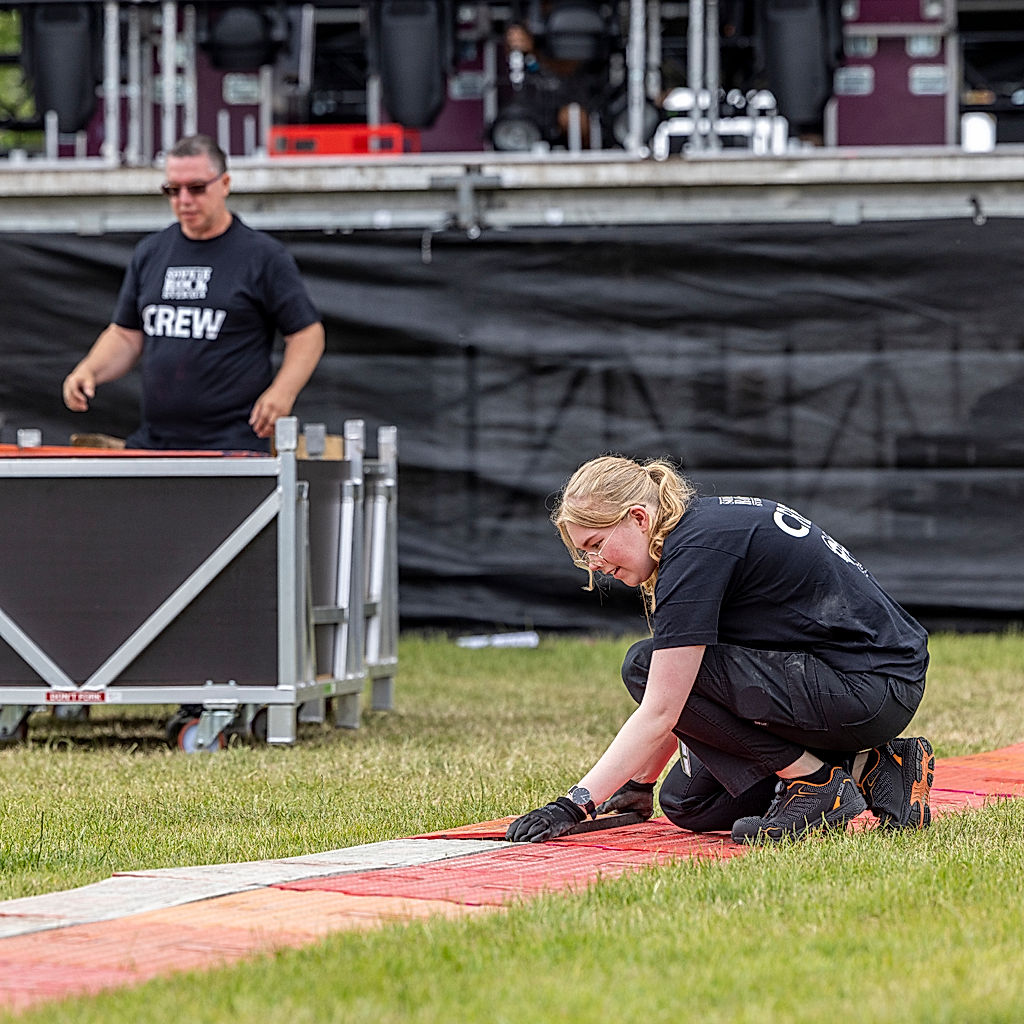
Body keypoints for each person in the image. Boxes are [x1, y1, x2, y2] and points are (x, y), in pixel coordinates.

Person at [506, 455, 935, 845]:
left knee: (642, 663)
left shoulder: (695, 550)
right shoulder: (698, 530)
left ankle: (816, 782)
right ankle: (876, 767)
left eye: (596, 544)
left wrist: (574, 804)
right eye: (585, 554)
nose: (594, 564)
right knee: (689, 803)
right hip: (858, 684)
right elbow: (689, 692)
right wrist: (639, 785)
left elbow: (662, 706)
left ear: (638, 517)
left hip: (867, 688)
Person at [62, 134, 325, 452]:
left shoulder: (262, 256)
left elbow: (307, 333)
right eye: (173, 190)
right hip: (156, 439)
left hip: (232, 442)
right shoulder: (151, 252)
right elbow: (127, 335)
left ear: (225, 184)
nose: (184, 200)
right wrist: (89, 369)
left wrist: (283, 392)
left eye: (196, 188)